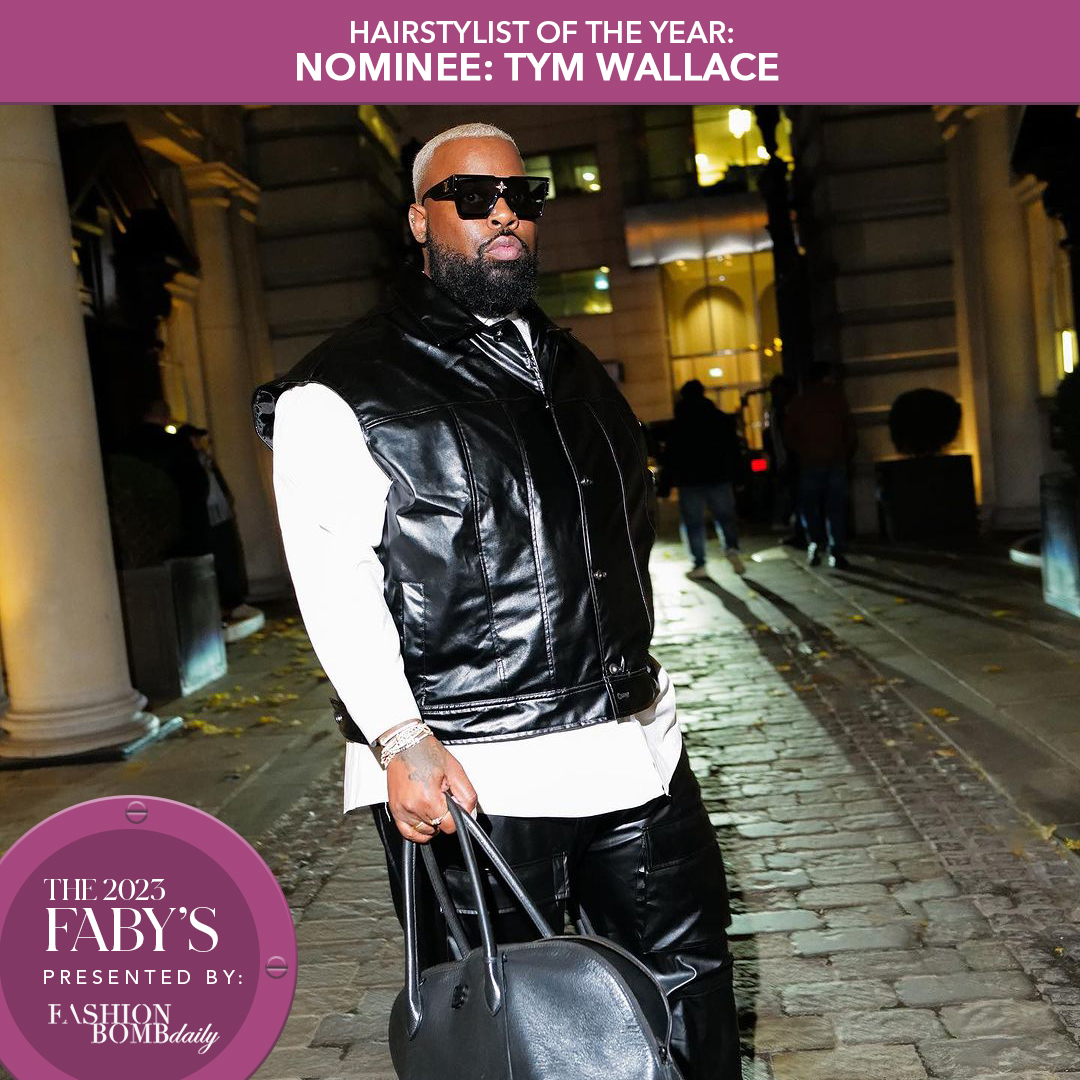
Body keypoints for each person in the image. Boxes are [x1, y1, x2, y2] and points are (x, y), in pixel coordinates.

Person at [252, 122, 740, 1080]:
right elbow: (332, 577)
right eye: (472, 198)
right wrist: (399, 739)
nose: (504, 213)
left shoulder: (570, 365)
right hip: (477, 770)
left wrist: (652, 706)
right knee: (510, 1031)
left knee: (688, 987)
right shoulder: (341, 387)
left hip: (635, 747)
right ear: (418, 221)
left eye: (522, 195)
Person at [664, 379, 745, 578]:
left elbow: (671, 455)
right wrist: (739, 475)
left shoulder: (679, 423)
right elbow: (733, 449)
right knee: (725, 516)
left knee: (693, 523)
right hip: (718, 475)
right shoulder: (719, 418)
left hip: (689, 479)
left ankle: (699, 563)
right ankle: (732, 549)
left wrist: (665, 483)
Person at [783, 361, 856, 569]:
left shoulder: (800, 402)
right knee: (835, 509)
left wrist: (803, 450)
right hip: (835, 461)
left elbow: (789, 434)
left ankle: (815, 543)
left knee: (810, 508)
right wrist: (844, 452)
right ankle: (836, 550)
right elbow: (849, 430)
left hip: (810, 462)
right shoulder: (837, 400)